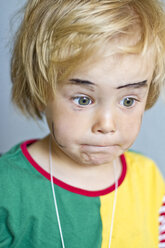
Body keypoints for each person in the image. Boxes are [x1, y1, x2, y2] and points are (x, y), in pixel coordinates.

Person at [1, 0, 165, 247]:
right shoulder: (8, 186)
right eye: (83, 99)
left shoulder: (148, 177)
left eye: (129, 101)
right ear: (39, 93)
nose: (107, 125)